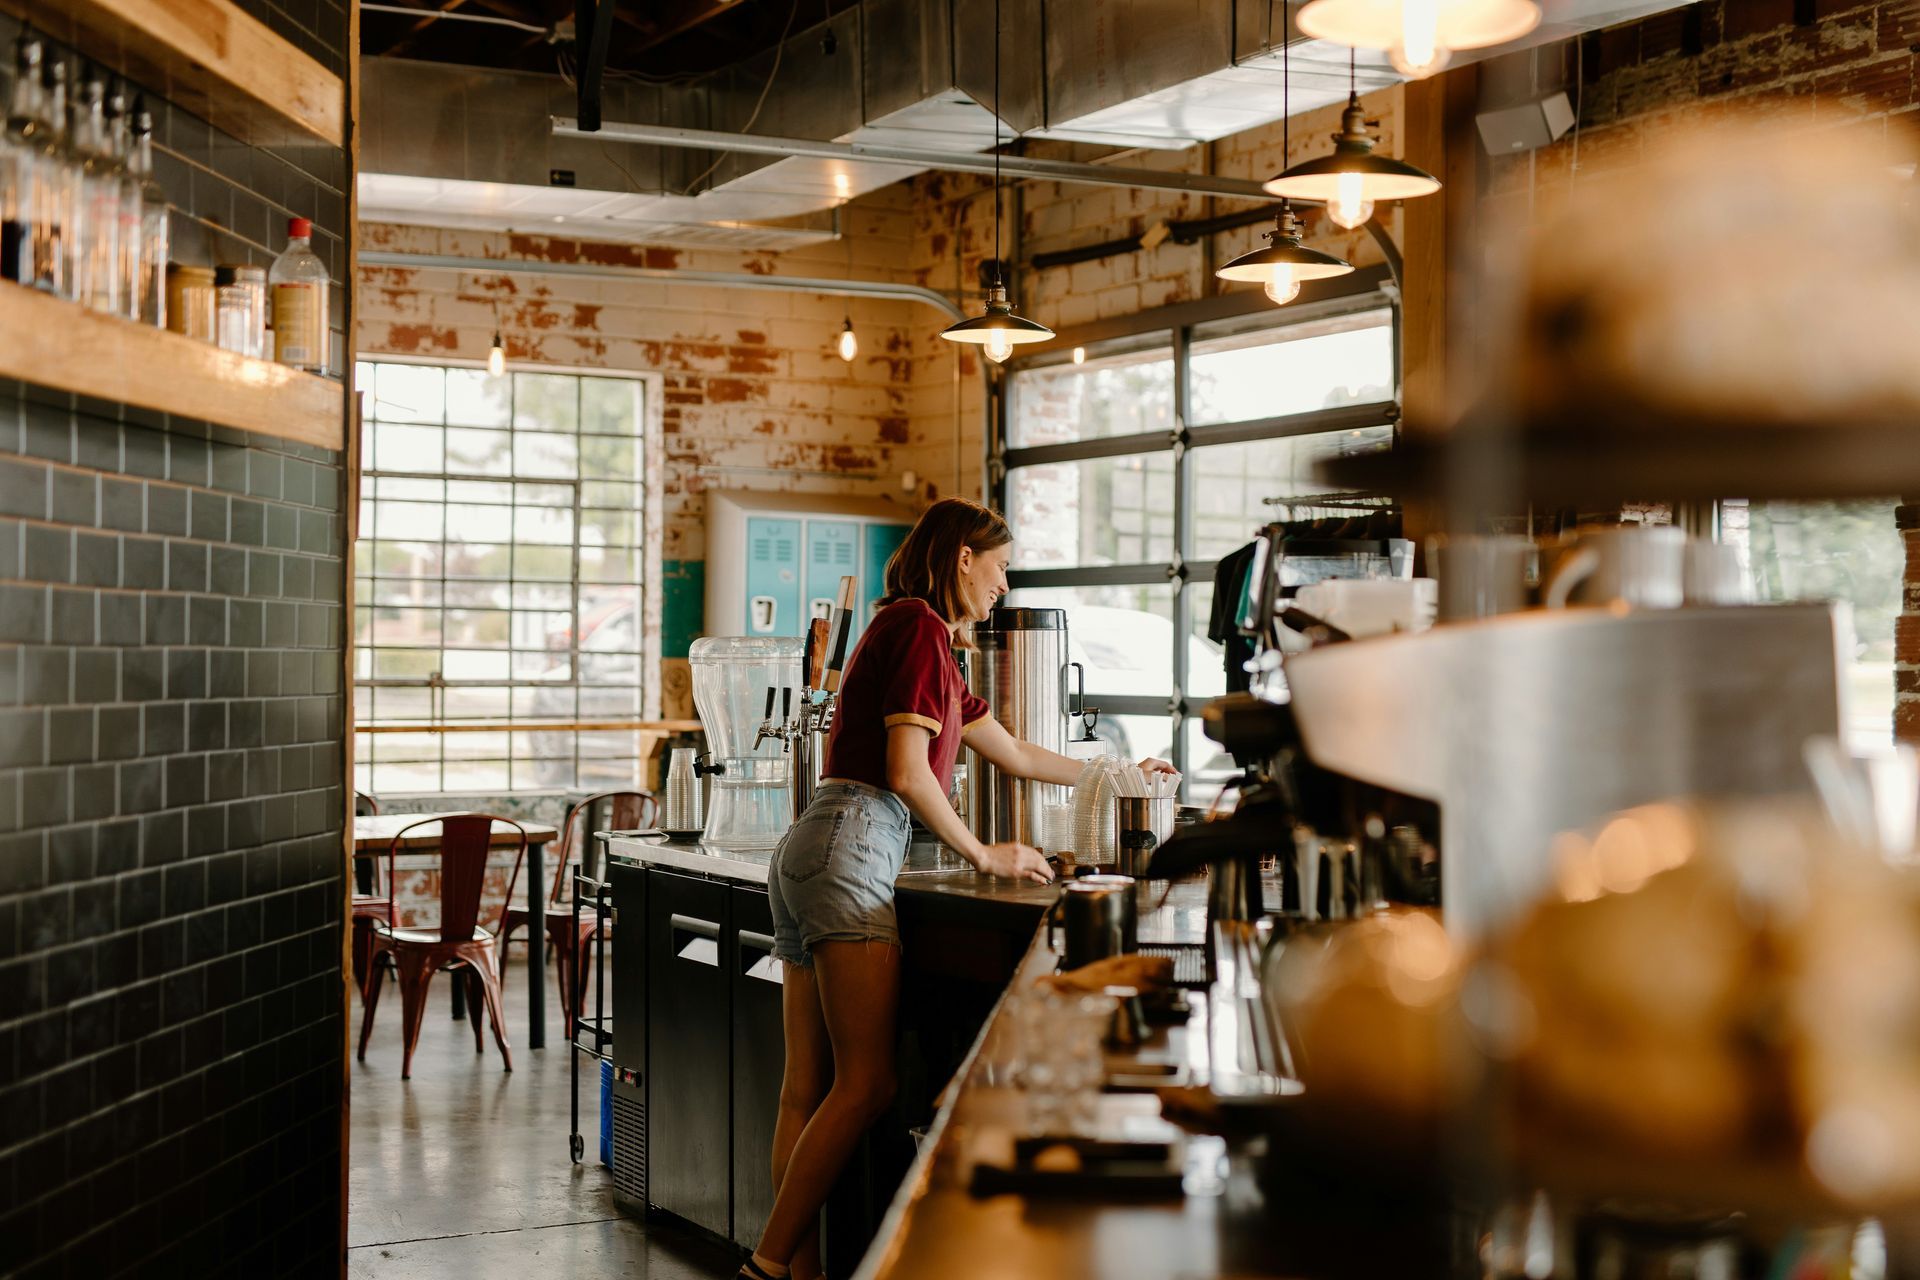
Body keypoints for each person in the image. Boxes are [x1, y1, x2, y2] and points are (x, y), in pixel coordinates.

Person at [739, 497, 1173, 1280]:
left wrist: (1118, 771)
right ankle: (766, 1267)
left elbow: (1012, 751)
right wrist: (984, 853)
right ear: (962, 558)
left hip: (812, 844)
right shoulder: (915, 627)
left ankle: (793, 1273)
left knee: (806, 1089)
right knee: (869, 1082)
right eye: (1000, 566)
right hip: (853, 843)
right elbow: (907, 772)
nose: (1006, 584)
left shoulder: (928, 646)